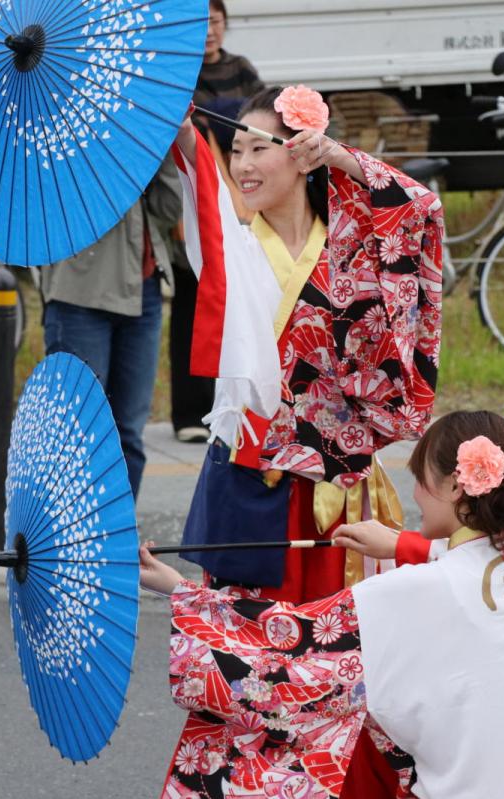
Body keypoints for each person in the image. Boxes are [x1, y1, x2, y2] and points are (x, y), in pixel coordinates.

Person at [167, 84, 444, 796]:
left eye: (261, 147)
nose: (245, 163)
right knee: (253, 665)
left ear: (302, 154)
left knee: (351, 667)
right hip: (255, 490)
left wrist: (344, 158)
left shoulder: (350, 240)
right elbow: (188, 164)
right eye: (237, 149)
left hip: (346, 494)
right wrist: (173, 122)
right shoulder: (224, 235)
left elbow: (420, 211)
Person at [140, 410, 504, 798]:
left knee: (307, 729)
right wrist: (403, 544)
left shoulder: (415, 591)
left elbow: (289, 637)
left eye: (421, 481)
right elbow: (475, 562)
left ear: (455, 486)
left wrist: (181, 591)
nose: (415, 495)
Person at [38, 157, 181, 499]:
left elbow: (170, 209)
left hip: (143, 288)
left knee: (128, 433)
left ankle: (116, 541)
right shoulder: (65, 135)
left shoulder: (136, 134)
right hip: (80, 291)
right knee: (78, 432)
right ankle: (70, 542)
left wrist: (162, 151)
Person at [170, 0, 265, 444]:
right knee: (193, 301)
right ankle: (189, 411)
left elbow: (255, 120)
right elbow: (211, 124)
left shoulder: (242, 66)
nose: (210, 31)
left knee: (244, 303)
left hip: (241, 199)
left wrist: (218, 120)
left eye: (216, 22)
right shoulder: (179, 68)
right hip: (200, 192)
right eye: (203, 23)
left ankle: (235, 404)